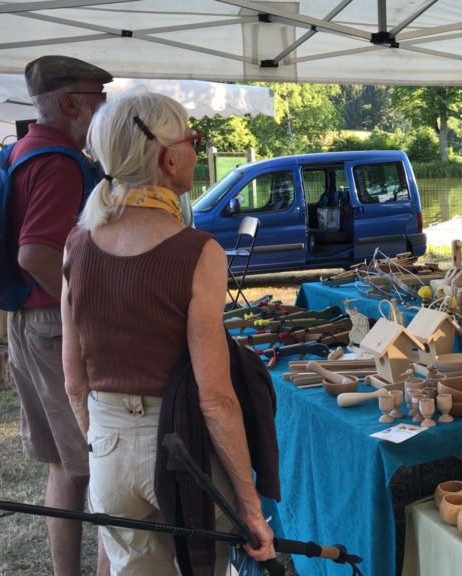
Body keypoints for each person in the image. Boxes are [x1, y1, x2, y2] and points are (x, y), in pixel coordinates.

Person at [62, 91, 275, 574]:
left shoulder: (76, 245)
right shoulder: (198, 251)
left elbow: (74, 381)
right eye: (193, 140)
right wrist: (250, 504)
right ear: (167, 156)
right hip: (185, 447)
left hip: (109, 441)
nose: (196, 151)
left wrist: (102, 444)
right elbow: (215, 397)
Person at [6, 55, 112, 575]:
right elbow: (35, 252)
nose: (103, 108)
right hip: (52, 322)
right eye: (99, 98)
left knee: (66, 467)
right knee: (99, 463)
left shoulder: (24, 150)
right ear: (71, 103)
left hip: (27, 323)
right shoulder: (60, 161)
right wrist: (82, 314)